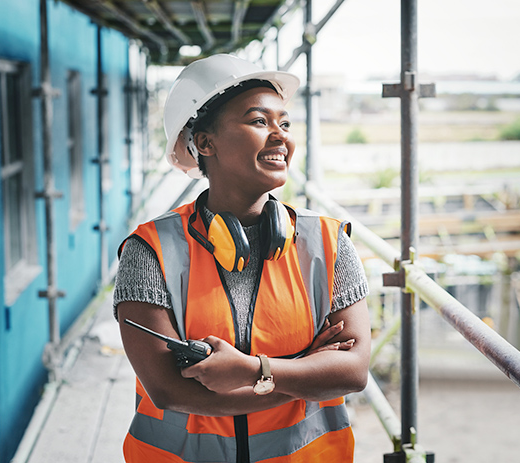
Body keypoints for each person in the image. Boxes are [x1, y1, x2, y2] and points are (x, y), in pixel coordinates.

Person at [114, 54, 371, 463]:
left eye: (284, 123)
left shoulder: (329, 243)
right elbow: (169, 391)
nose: (279, 136)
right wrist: (305, 371)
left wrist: (252, 371)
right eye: (258, 121)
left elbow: (353, 372)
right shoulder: (149, 252)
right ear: (205, 142)